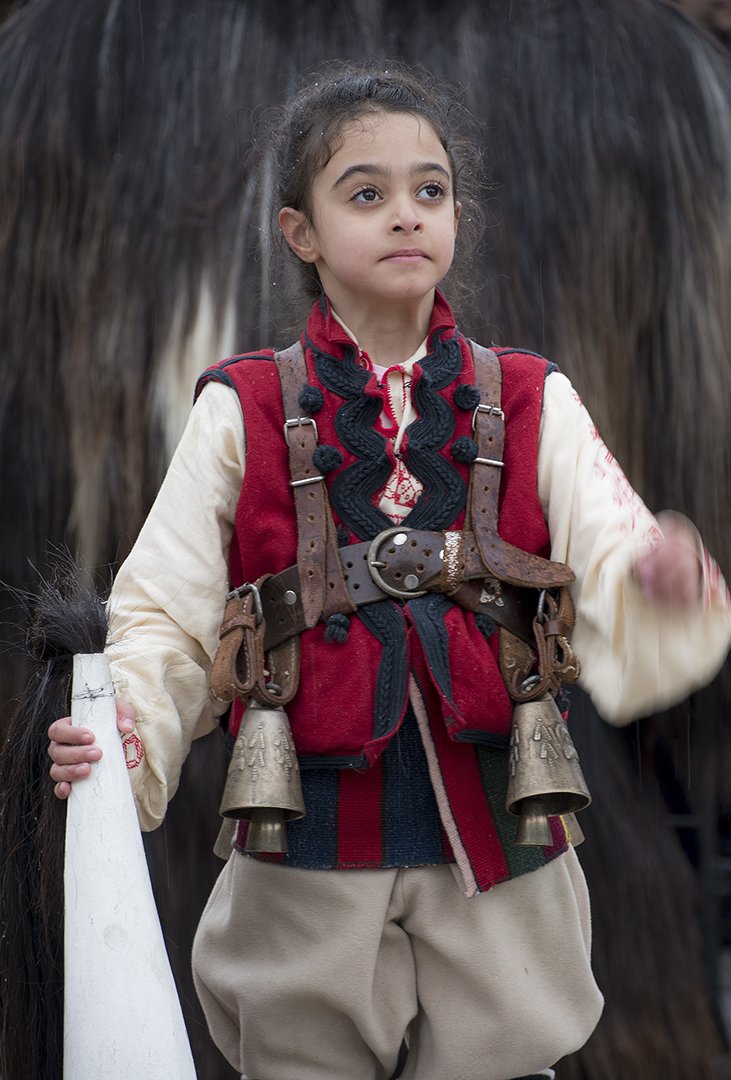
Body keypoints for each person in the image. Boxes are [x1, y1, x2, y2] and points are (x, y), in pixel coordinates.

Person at [48, 61, 731, 1080]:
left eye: (429, 190)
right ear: (301, 233)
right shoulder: (239, 407)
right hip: (305, 830)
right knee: (301, 1054)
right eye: (365, 193)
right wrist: (120, 736)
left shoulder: (530, 395)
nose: (406, 213)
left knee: (506, 1055)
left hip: (502, 831)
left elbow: (615, 546)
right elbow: (163, 608)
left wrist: (658, 582)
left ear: (456, 215)